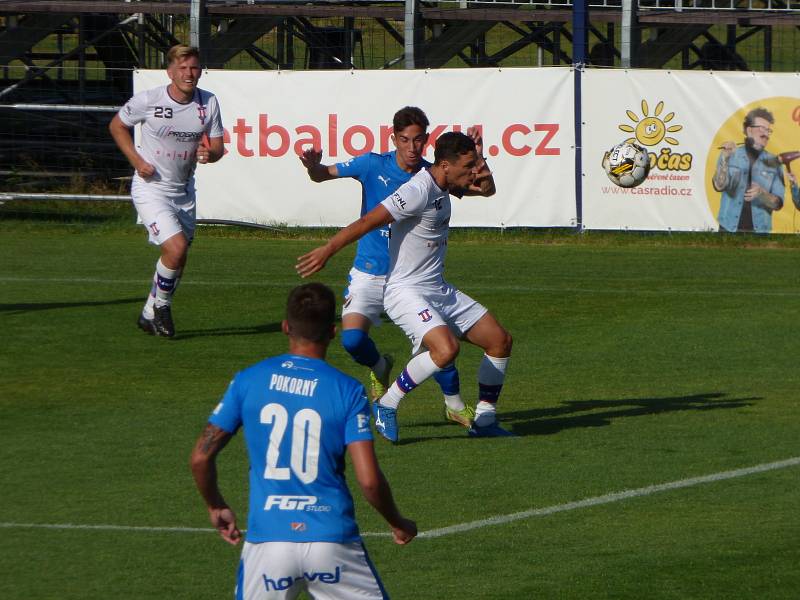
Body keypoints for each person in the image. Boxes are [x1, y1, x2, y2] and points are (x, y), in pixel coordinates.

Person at [190, 282, 416, 599]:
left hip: (268, 544)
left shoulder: (248, 380)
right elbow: (369, 481)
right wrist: (397, 522)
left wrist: (215, 505)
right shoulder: (347, 390)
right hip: (332, 541)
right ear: (333, 332)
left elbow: (200, 458)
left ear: (285, 327)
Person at [297, 132, 513, 441]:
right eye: (467, 166)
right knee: (445, 349)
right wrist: (326, 250)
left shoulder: (446, 179)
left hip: (436, 287)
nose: (471, 173)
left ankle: (485, 420)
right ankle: (388, 403)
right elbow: (366, 222)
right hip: (404, 291)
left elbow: (487, 190)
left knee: (500, 341)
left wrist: (483, 162)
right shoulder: (416, 190)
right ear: (445, 165)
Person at [109, 44, 224, 337]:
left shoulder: (208, 103)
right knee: (176, 249)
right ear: (170, 71)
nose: (189, 74)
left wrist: (210, 154)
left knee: (179, 258)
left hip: (184, 191)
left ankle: (148, 314)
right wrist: (137, 160)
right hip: (151, 189)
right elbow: (117, 126)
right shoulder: (149, 100)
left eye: (194, 68)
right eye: (183, 68)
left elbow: (219, 147)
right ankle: (162, 307)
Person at [713, 107, 784, 233]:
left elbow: (778, 204)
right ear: (749, 130)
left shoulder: (775, 163)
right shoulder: (730, 154)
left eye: (768, 130)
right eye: (762, 128)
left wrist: (763, 194)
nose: (766, 134)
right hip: (728, 228)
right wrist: (724, 158)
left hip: (760, 232)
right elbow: (719, 186)